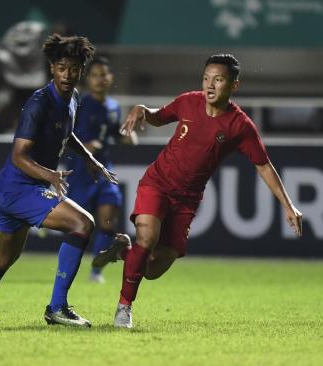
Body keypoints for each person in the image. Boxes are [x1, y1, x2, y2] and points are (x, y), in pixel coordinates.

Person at [93, 54, 303, 328]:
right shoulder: (188, 101)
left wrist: (288, 205)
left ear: (234, 85)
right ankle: (124, 309)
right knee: (147, 239)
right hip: (157, 183)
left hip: (187, 200)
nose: (210, 86)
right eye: (206, 79)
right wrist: (142, 109)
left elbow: (264, 166)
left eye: (218, 79)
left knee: (154, 267)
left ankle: (123, 251)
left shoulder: (240, 126)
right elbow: (157, 118)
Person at [0, 34, 117, 327]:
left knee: (5, 257)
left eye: (73, 68)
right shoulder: (39, 102)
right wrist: (50, 175)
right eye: (61, 68)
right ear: (51, 68)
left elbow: (66, 134)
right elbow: (20, 155)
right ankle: (57, 308)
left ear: (81, 70)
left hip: (17, 188)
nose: (67, 74)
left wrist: (89, 159)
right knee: (83, 224)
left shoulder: (73, 99)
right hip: (19, 187)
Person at [66, 56, 137, 284]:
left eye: (104, 74)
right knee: (78, 226)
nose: (100, 79)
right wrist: (86, 147)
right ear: (88, 79)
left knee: (109, 218)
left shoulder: (114, 107)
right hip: (80, 173)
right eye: (95, 75)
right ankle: (66, 269)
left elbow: (114, 132)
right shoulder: (80, 104)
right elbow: (66, 136)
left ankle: (96, 270)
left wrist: (127, 136)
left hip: (105, 172)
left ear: (110, 77)